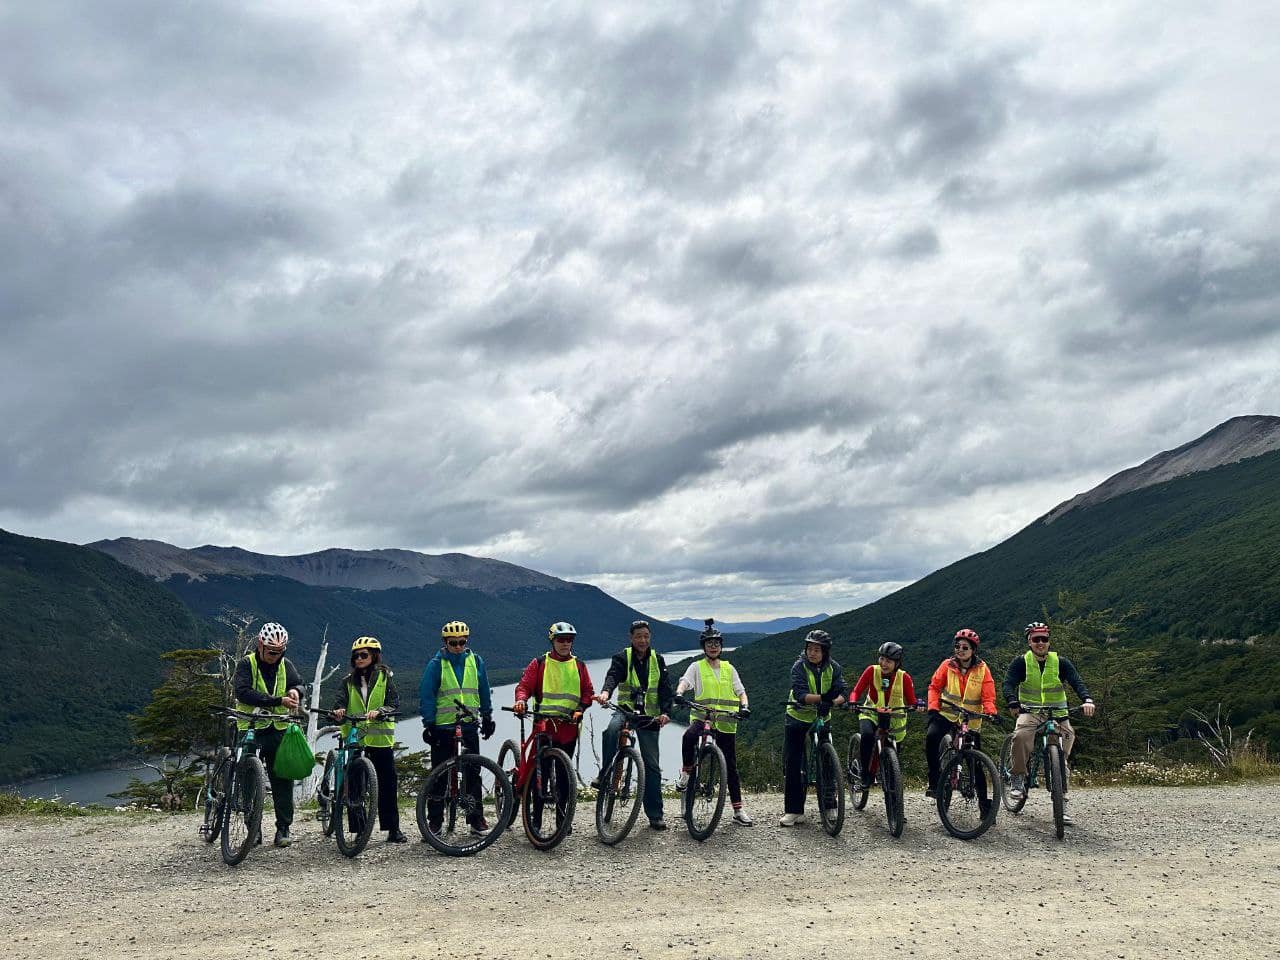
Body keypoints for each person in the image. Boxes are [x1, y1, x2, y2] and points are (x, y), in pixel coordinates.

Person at [1003, 621, 1096, 825]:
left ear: (1049, 641)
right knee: (1020, 736)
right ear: (1029, 641)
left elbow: (1076, 681)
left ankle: (1061, 802)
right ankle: (1017, 777)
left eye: (1044, 639)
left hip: (1058, 713)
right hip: (1031, 712)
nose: (1040, 643)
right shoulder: (1021, 662)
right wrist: (1012, 700)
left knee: (1065, 746)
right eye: (1036, 639)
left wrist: (1087, 699)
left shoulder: (1060, 662)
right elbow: (1008, 683)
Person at [594, 619, 674, 830]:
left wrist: (666, 712)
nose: (642, 640)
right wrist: (605, 693)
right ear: (631, 638)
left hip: (649, 716)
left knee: (652, 766)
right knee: (612, 730)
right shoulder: (623, 657)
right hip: (626, 711)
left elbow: (666, 688)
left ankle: (655, 815)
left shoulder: (658, 659)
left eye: (646, 636)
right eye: (638, 636)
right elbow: (612, 676)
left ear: (650, 637)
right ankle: (605, 772)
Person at [514, 621, 594, 828]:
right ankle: (536, 819)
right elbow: (524, 686)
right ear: (553, 641)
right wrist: (521, 700)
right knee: (539, 773)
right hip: (544, 727)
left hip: (569, 728)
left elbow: (587, 692)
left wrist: (581, 709)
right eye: (561, 640)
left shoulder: (579, 666)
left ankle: (562, 820)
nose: (565, 644)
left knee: (564, 776)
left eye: (569, 640)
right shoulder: (540, 664)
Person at [419, 620, 496, 835]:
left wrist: (487, 716)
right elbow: (427, 694)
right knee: (439, 774)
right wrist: (429, 724)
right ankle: (434, 822)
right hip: (444, 727)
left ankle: (476, 819)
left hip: (469, 723)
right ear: (445, 642)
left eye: (462, 642)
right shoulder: (436, 664)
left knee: (473, 772)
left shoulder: (476, 661)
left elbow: (483, 689)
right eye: (454, 643)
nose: (458, 647)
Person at [231, 621, 303, 847]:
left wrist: (295, 692)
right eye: (272, 652)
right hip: (250, 727)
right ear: (260, 645)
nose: (275, 656)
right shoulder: (246, 664)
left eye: (280, 652)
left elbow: (300, 684)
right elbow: (243, 693)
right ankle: (254, 827)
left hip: (278, 728)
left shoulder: (285, 664)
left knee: (282, 779)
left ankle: (283, 828)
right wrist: (276, 701)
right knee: (249, 779)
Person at [675, 620, 753, 826]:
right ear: (704, 647)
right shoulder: (697, 666)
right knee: (689, 736)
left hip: (726, 721)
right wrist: (680, 693)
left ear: (721, 646)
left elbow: (740, 691)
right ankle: (686, 772)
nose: (713, 646)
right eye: (709, 643)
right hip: (703, 718)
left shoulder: (729, 668)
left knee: (731, 767)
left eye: (717, 643)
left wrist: (744, 706)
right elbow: (685, 681)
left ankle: (738, 810)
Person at [331, 636, 405, 843]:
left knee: (388, 785)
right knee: (355, 786)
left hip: (381, 741)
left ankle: (393, 829)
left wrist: (380, 711)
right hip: (356, 738)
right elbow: (339, 702)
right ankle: (359, 829)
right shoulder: (347, 681)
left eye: (364, 655)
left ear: (374, 656)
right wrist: (338, 711)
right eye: (356, 656)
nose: (359, 659)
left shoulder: (384, 677)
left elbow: (393, 702)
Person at [780, 629, 847, 826]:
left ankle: (829, 805)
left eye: (817, 650)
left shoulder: (834, 668)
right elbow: (800, 694)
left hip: (822, 717)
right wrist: (825, 698)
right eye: (809, 648)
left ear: (825, 652)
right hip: (798, 717)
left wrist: (835, 702)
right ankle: (794, 811)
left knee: (827, 762)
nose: (812, 653)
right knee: (793, 763)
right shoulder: (799, 667)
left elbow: (843, 690)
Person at [925, 628, 997, 805]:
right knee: (932, 737)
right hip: (946, 714)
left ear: (973, 650)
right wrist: (933, 706)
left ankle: (984, 805)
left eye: (965, 647)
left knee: (976, 762)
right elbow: (934, 687)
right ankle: (934, 780)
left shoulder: (982, 669)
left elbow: (988, 696)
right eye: (957, 646)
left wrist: (991, 712)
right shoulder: (947, 665)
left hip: (971, 720)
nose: (960, 650)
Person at [851, 641, 924, 790]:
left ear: (897, 663)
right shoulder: (871, 671)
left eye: (888, 661)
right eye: (882, 659)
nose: (884, 663)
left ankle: (893, 790)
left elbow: (912, 701)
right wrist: (853, 701)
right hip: (870, 713)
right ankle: (865, 773)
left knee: (893, 755)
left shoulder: (904, 678)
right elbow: (856, 691)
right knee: (867, 736)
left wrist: (919, 705)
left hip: (893, 720)